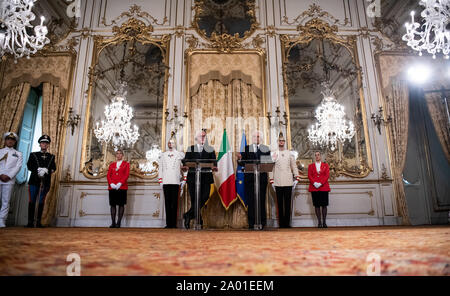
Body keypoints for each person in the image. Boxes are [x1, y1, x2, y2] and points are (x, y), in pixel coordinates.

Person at [182, 130, 216, 229]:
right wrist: (185, 166)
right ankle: (199, 221)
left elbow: (214, 163)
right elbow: (186, 161)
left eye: (204, 136)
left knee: (204, 197)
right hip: (193, 178)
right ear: (196, 138)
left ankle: (188, 214)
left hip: (206, 178)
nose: (203, 138)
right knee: (194, 200)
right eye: (201, 136)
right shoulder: (190, 148)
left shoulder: (210, 149)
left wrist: (214, 167)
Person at [238, 130, 271, 229]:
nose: (256, 138)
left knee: (261, 200)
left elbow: (267, 163)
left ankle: (262, 222)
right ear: (252, 138)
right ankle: (252, 223)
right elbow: (242, 163)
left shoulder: (265, 148)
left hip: (261, 179)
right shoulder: (246, 148)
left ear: (260, 138)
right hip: (250, 179)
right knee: (251, 201)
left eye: (257, 136)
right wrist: (239, 159)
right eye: (254, 136)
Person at [269, 132, 300, 228]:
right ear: (277, 142)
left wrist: (297, 177)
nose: (281, 142)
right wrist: (271, 180)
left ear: (284, 142)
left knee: (287, 203)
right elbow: (271, 167)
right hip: (278, 182)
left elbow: (294, 166)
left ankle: (287, 223)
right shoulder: (274, 153)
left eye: (283, 141)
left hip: (288, 181)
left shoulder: (289, 153)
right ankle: (281, 224)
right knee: (279, 204)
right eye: (280, 141)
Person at [26, 135, 56, 228]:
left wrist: (48, 170)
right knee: (32, 201)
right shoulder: (33, 154)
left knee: (41, 201)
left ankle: (38, 222)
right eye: (43, 143)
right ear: (40, 144)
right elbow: (29, 166)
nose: (44, 145)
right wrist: (38, 169)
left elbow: (54, 168)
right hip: (34, 181)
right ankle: (30, 222)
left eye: (46, 143)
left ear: (48, 145)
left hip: (45, 182)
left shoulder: (51, 156)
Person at [158, 138, 185, 228]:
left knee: (174, 203)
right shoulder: (163, 155)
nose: (170, 144)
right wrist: (160, 181)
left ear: (175, 144)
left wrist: (184, 180)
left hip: (175, 181)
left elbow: (184, 168)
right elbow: (160, 169)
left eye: (172, 143)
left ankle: (174, 224)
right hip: (166, 181)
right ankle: (168, 224)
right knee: (167, 203)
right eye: (169, 143)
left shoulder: (180, 155)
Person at [0, 132, 23, 228]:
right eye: (8, 139)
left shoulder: (18, 154)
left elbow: (18, 167)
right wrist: (1, 174)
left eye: (12, 140)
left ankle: (2, 220)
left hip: (9, 180)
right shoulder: (0, 151)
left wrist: (8, 176)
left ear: (15, 142)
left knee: (6, 201)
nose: (10, 141)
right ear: (5, 140)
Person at [106, 149, 130, 228]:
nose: (118, 155)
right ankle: (113, 223)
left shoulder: (126, 164)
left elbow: (126, 175)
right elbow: (108, 175)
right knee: (112, 205)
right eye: (117, 153)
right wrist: (111, 183)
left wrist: (120, 183)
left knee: (121, 205)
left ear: (122, 155)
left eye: (120, 154)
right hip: (112, 187)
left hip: (122, 187)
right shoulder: (112, 165)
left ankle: (118, 223)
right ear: (115, 155)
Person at [308, 151, 330, 228]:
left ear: (321, 156)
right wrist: (314, 183)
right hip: (314, 188)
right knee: (317, 205)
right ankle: (319, 223)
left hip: (324, 187)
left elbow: (327, 175)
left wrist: (321, 183)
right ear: (314, 157)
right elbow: (309, 175)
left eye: (318, 155)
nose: (317, 156)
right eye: (315, 155)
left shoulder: (325, 165)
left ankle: (324, 222)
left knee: (324, 205)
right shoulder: (310, 166)